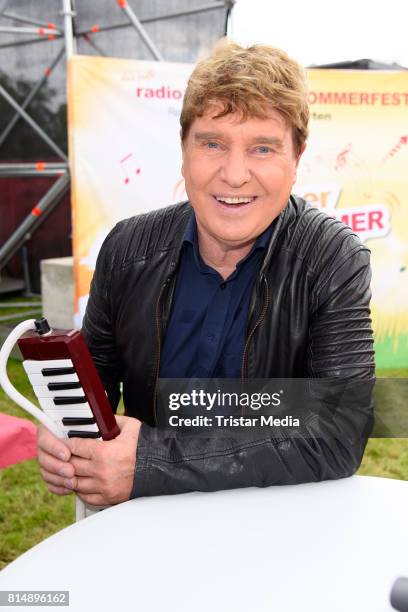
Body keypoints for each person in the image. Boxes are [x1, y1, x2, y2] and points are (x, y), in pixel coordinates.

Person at [37, 40, 375, 507]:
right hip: (145, 525)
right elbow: (90, 394)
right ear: (183, 149)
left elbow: (340, 431)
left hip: (274, 525)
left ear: (296, 159)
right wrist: (63, 437)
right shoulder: (125, 249)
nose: (234, 174)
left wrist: (154, 462)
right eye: (212, 143)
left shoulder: (332, 258)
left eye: (262, 148)